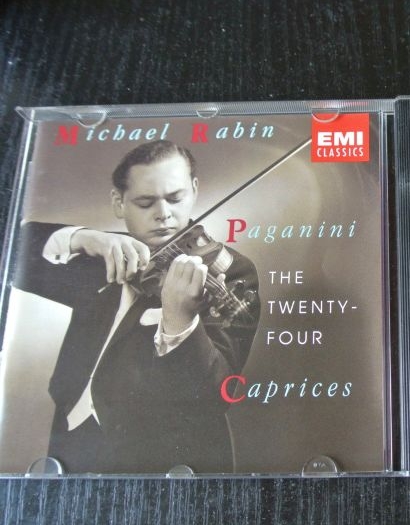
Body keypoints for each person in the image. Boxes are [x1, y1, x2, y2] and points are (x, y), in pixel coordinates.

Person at [12, 140, 259, 473]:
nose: (164, 214)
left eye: (175, 198)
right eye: (145, 202)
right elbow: (11, 254)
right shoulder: (103, 254)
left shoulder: (230, 272)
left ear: (194, 189)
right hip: (74, 437)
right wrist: (83, 237)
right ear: (119, 202)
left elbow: (214, 396)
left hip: (171, 461)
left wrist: (180, 320)